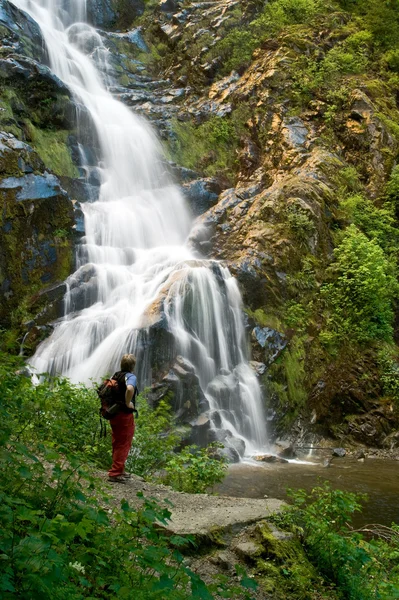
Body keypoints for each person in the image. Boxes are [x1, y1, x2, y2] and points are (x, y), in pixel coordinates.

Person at [108, 354, 137, 483]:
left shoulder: (115, 375)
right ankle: (115, 473)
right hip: (124, 415)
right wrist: (127, 403)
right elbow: (130, 389)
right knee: (124, 442)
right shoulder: (130, 377)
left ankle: (119, 469)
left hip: (113, 413)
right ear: (132, 366)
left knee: (117, 440)